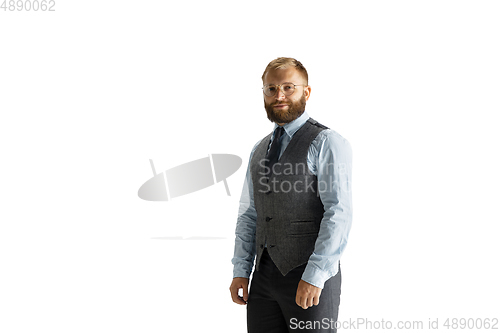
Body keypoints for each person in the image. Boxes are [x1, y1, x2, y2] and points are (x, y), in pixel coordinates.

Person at [229, 57, 353, 333]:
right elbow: (250, 214)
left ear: (306, 92)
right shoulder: (259, 150)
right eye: (271, 89)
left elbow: (339, 213)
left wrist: (316, 275)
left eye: (288, 87)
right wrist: (241, 269)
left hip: (308, 275)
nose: (279, 95)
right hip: (262, 279)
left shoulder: (327, 142)